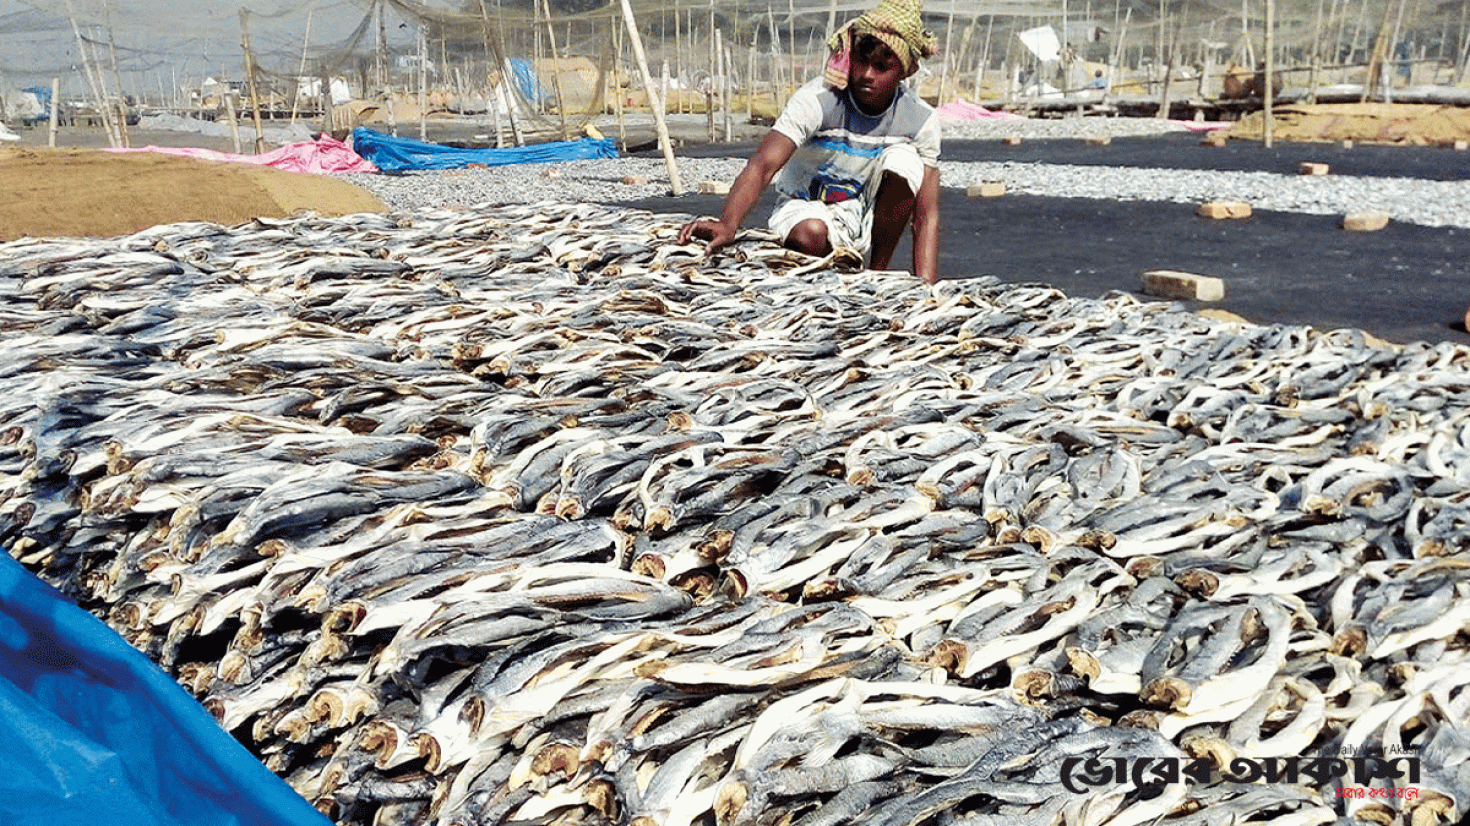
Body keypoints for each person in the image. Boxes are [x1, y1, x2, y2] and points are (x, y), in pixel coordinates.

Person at [677, 0, 942, 284]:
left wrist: (926, 288)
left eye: (881, 67)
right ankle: (834, 266)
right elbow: (763, 165)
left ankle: (876, 273)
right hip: (803, 205)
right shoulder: (819, 99)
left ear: (902, 72)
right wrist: (728, 224)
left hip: (860, 215)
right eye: (862, 62)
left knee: (905, 161)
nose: (867, 74)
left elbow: (925, 216)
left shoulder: (920, 119)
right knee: (811, 233)